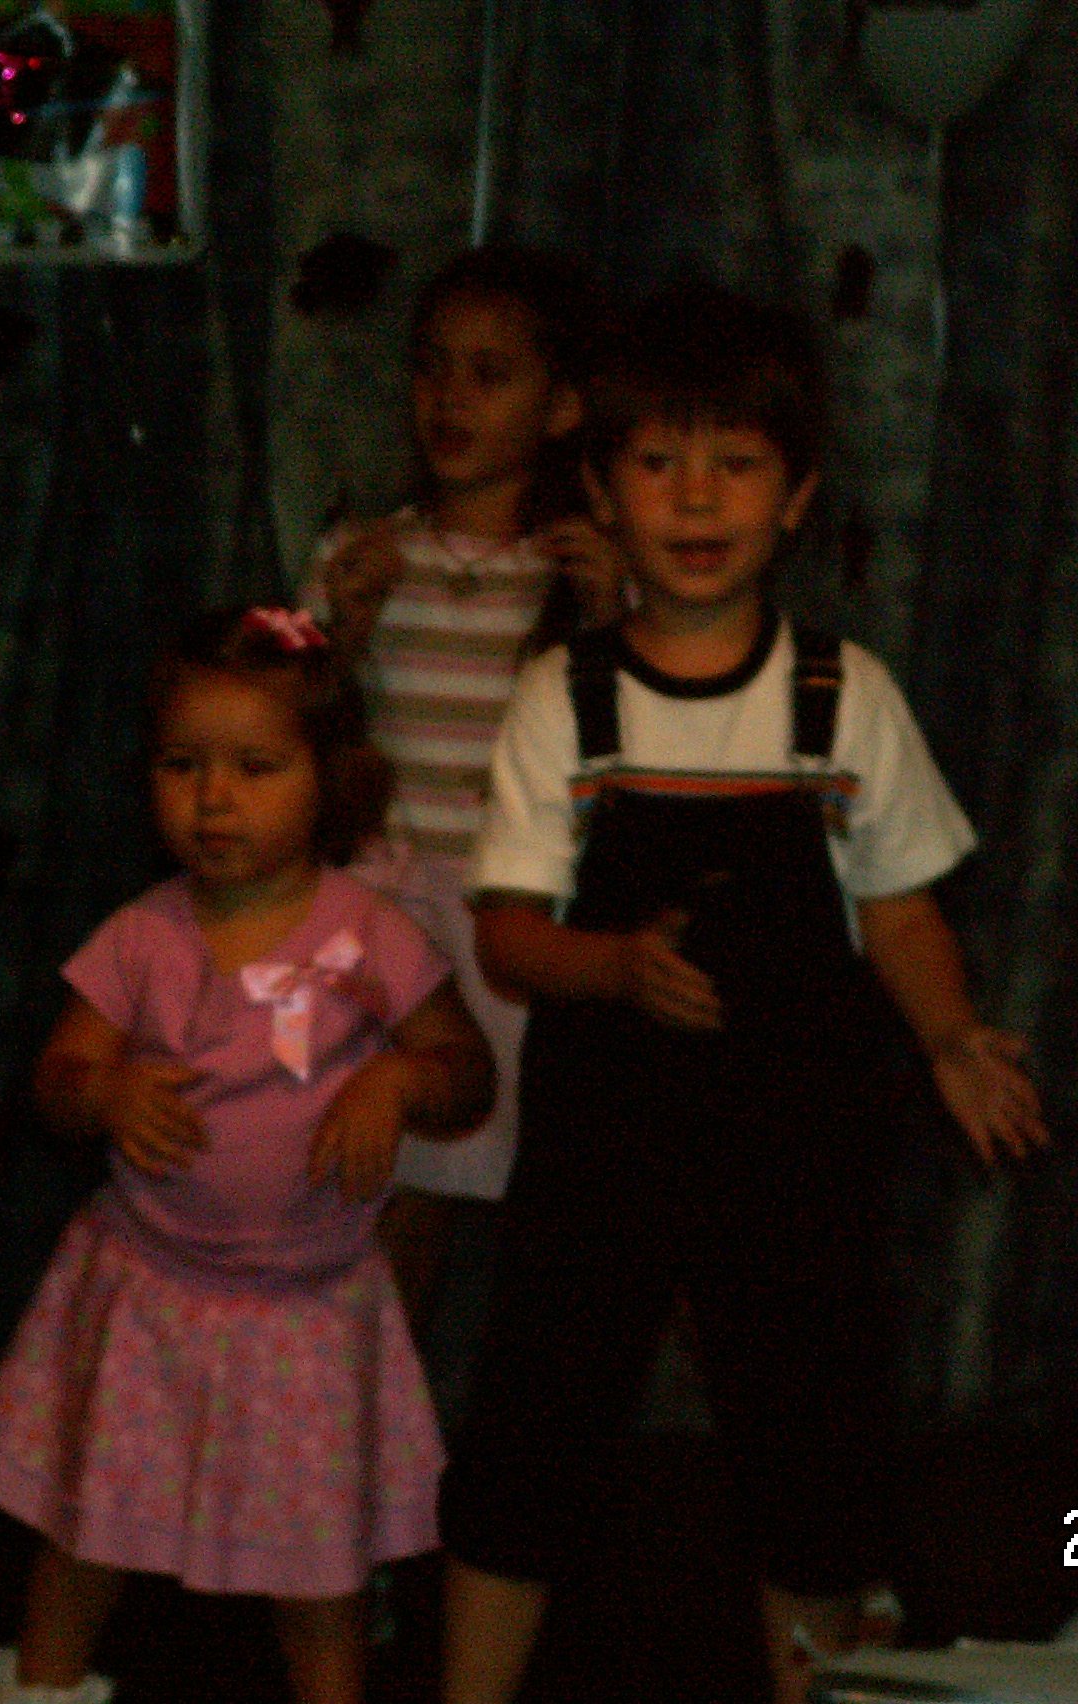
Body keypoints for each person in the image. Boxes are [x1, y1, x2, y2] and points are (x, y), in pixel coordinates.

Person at [436, 286, 1047, 1704]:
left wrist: (952, 1037)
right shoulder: (564, 698)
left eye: (737, 464)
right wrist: (612, 967)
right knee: (530, 1435)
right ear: (603, 493)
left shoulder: (845, 694)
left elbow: (897, 906)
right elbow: (509, 936)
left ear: (797, 496)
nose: (698, 498)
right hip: (602, 1143)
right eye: (659, 464)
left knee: (808, 1448)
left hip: (791, 1145)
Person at [0, 606, 495, 1704]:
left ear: (332, 781)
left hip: (309, 1314)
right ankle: (44, 1686)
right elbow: (56, 1082)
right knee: (84, 1538)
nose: (213, 798)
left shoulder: (370, 934)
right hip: (150, 1297)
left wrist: (399, 1080)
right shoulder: (140, 936)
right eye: (182, 766)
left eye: (255, 768)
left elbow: (469, 1074)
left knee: (321, 1583)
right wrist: (104, 1091)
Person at [298, 245, 625, 1329]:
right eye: (431, 366)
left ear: (562, 406)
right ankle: (333, 1404)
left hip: (506, 920)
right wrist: (341, 634)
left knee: (479, 1195)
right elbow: (287, 734)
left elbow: (627, 757)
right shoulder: (363, 553)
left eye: (491, 374)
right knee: (362, 1183)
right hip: (378, 910)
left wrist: (613, 619)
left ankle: (416, 1411)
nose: (450, 397)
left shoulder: (577, 571)